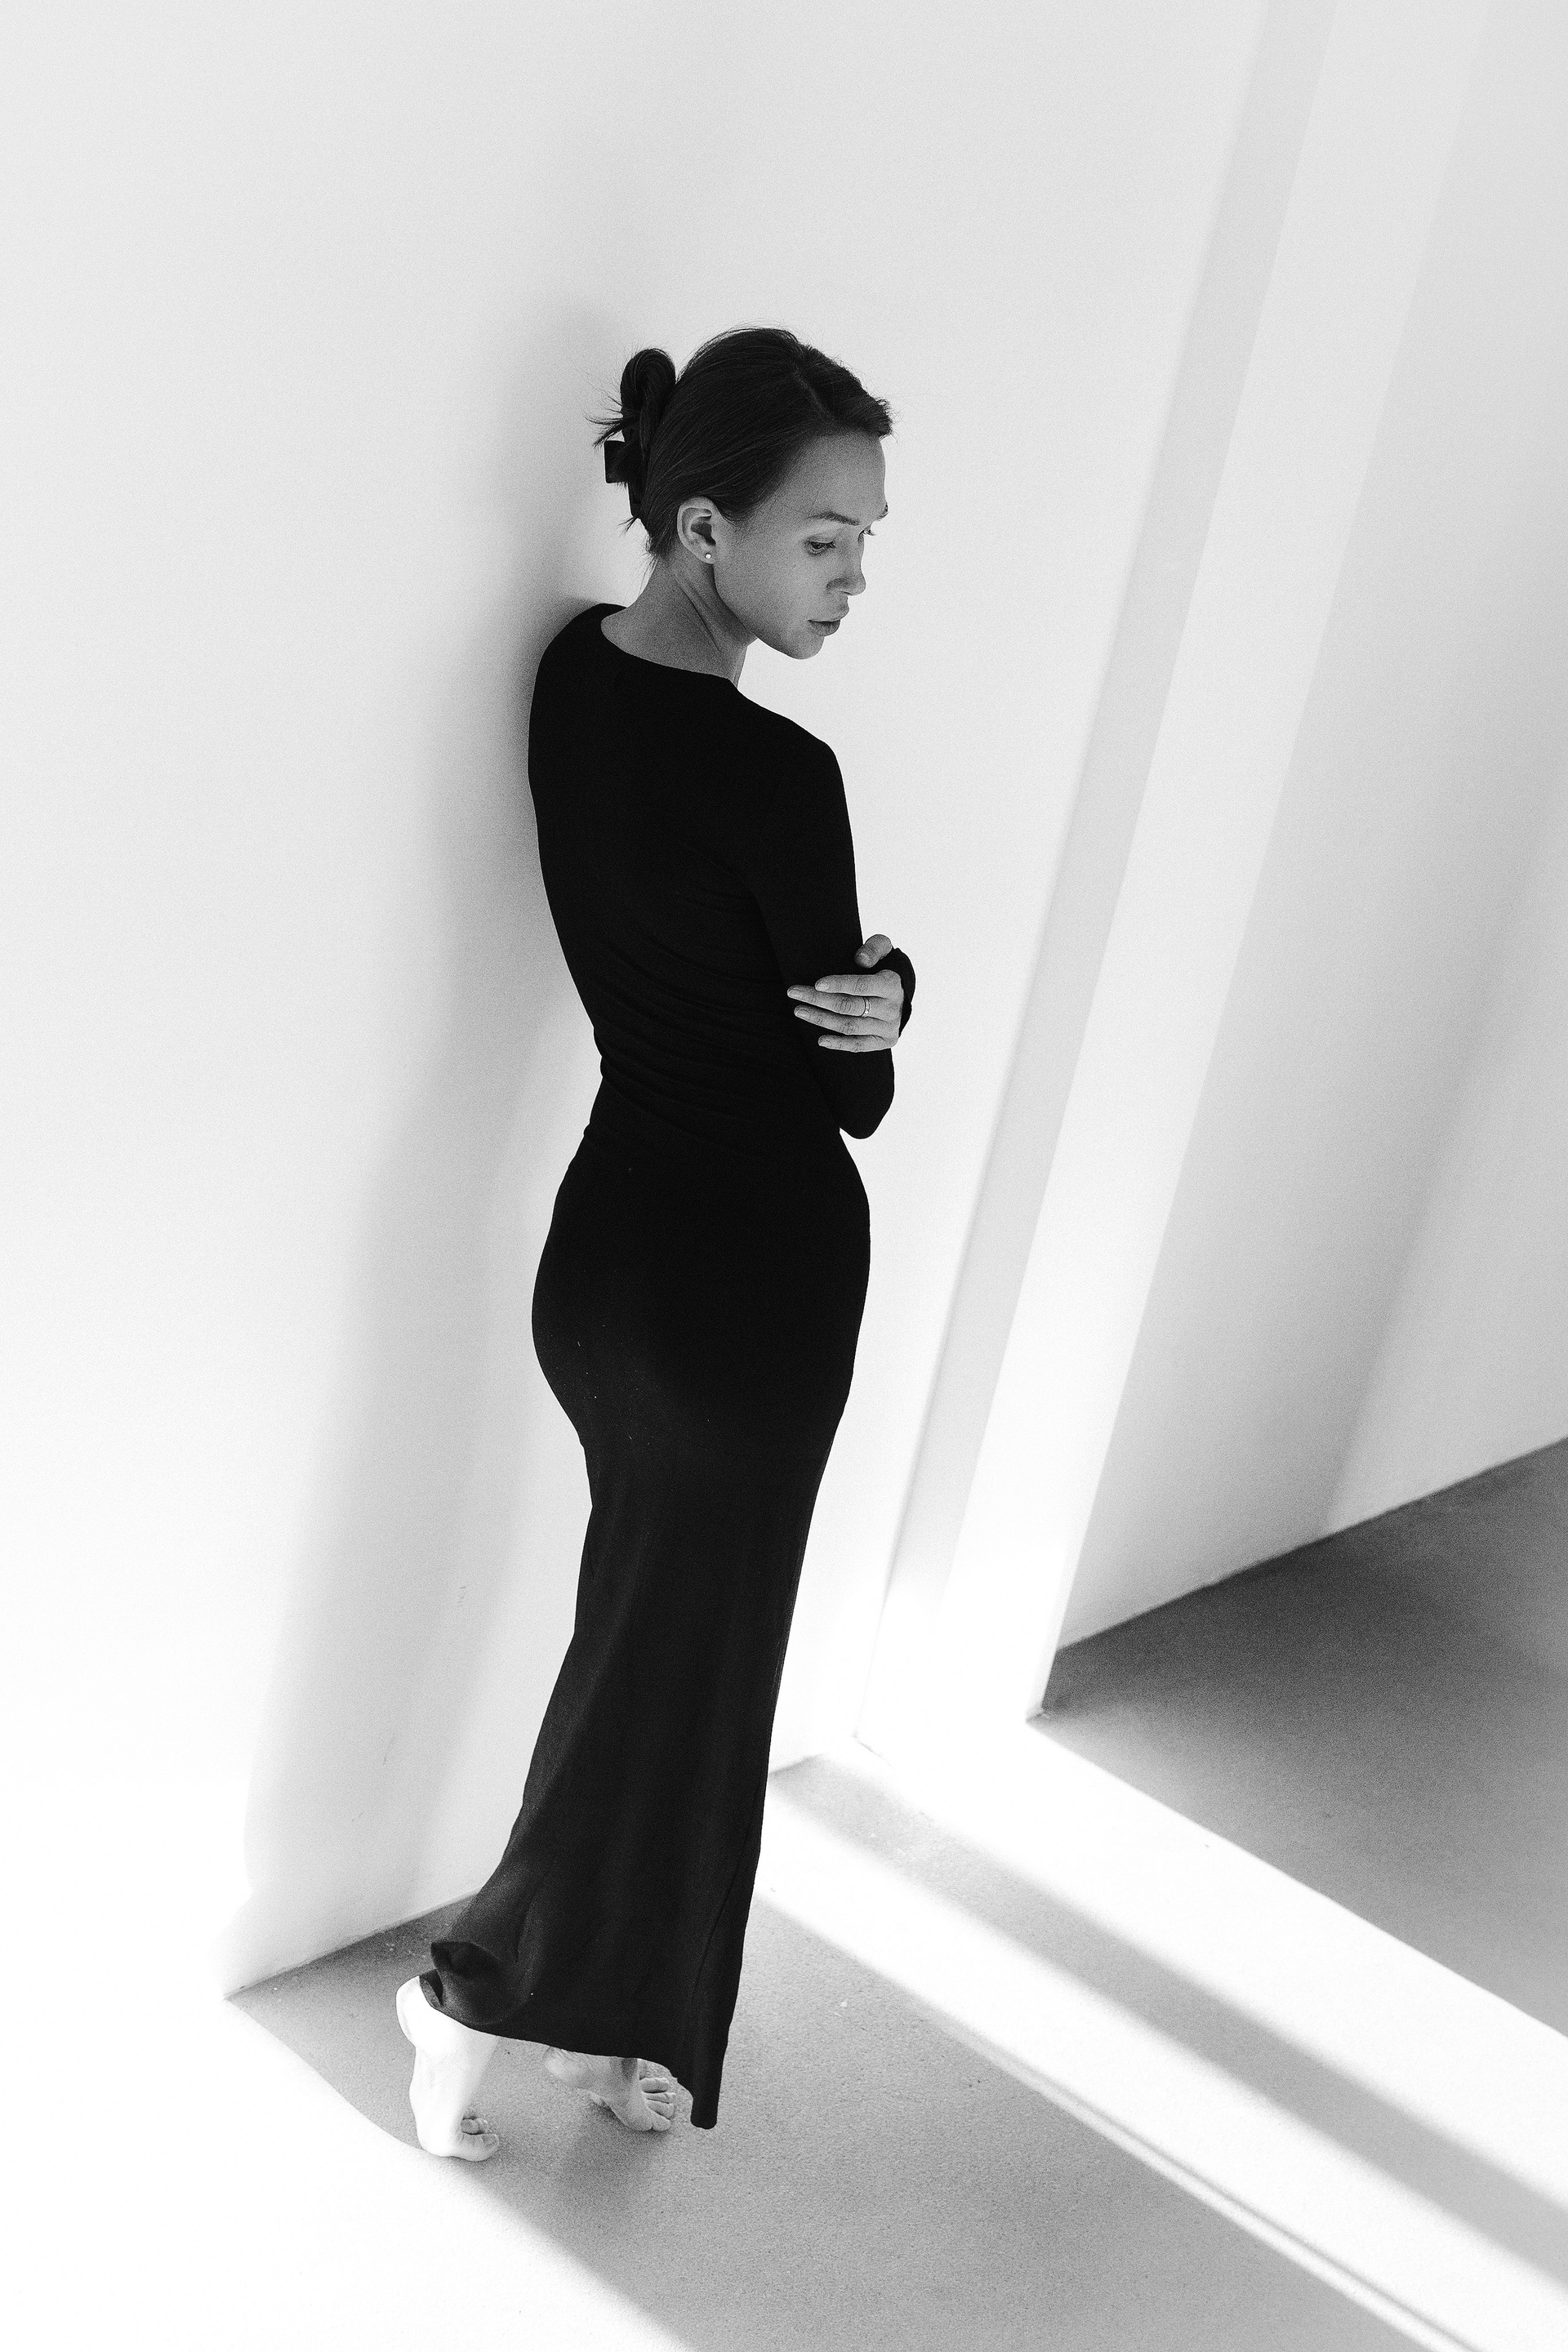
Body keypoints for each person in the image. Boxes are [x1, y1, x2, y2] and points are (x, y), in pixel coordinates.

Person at [396, 325, 915, 2154]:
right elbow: (846, 1086)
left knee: (657, 1654)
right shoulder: (782, 777)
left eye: (865, 541)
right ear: (705, 528)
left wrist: (862, 991)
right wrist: (890, 1002)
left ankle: (618, 2030)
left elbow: (717, 968)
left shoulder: (568, 678)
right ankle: (476, 1992)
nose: (854, 579)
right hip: (746, 1283)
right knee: (683, 1676)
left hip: (608, 1256)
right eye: (822, 540)